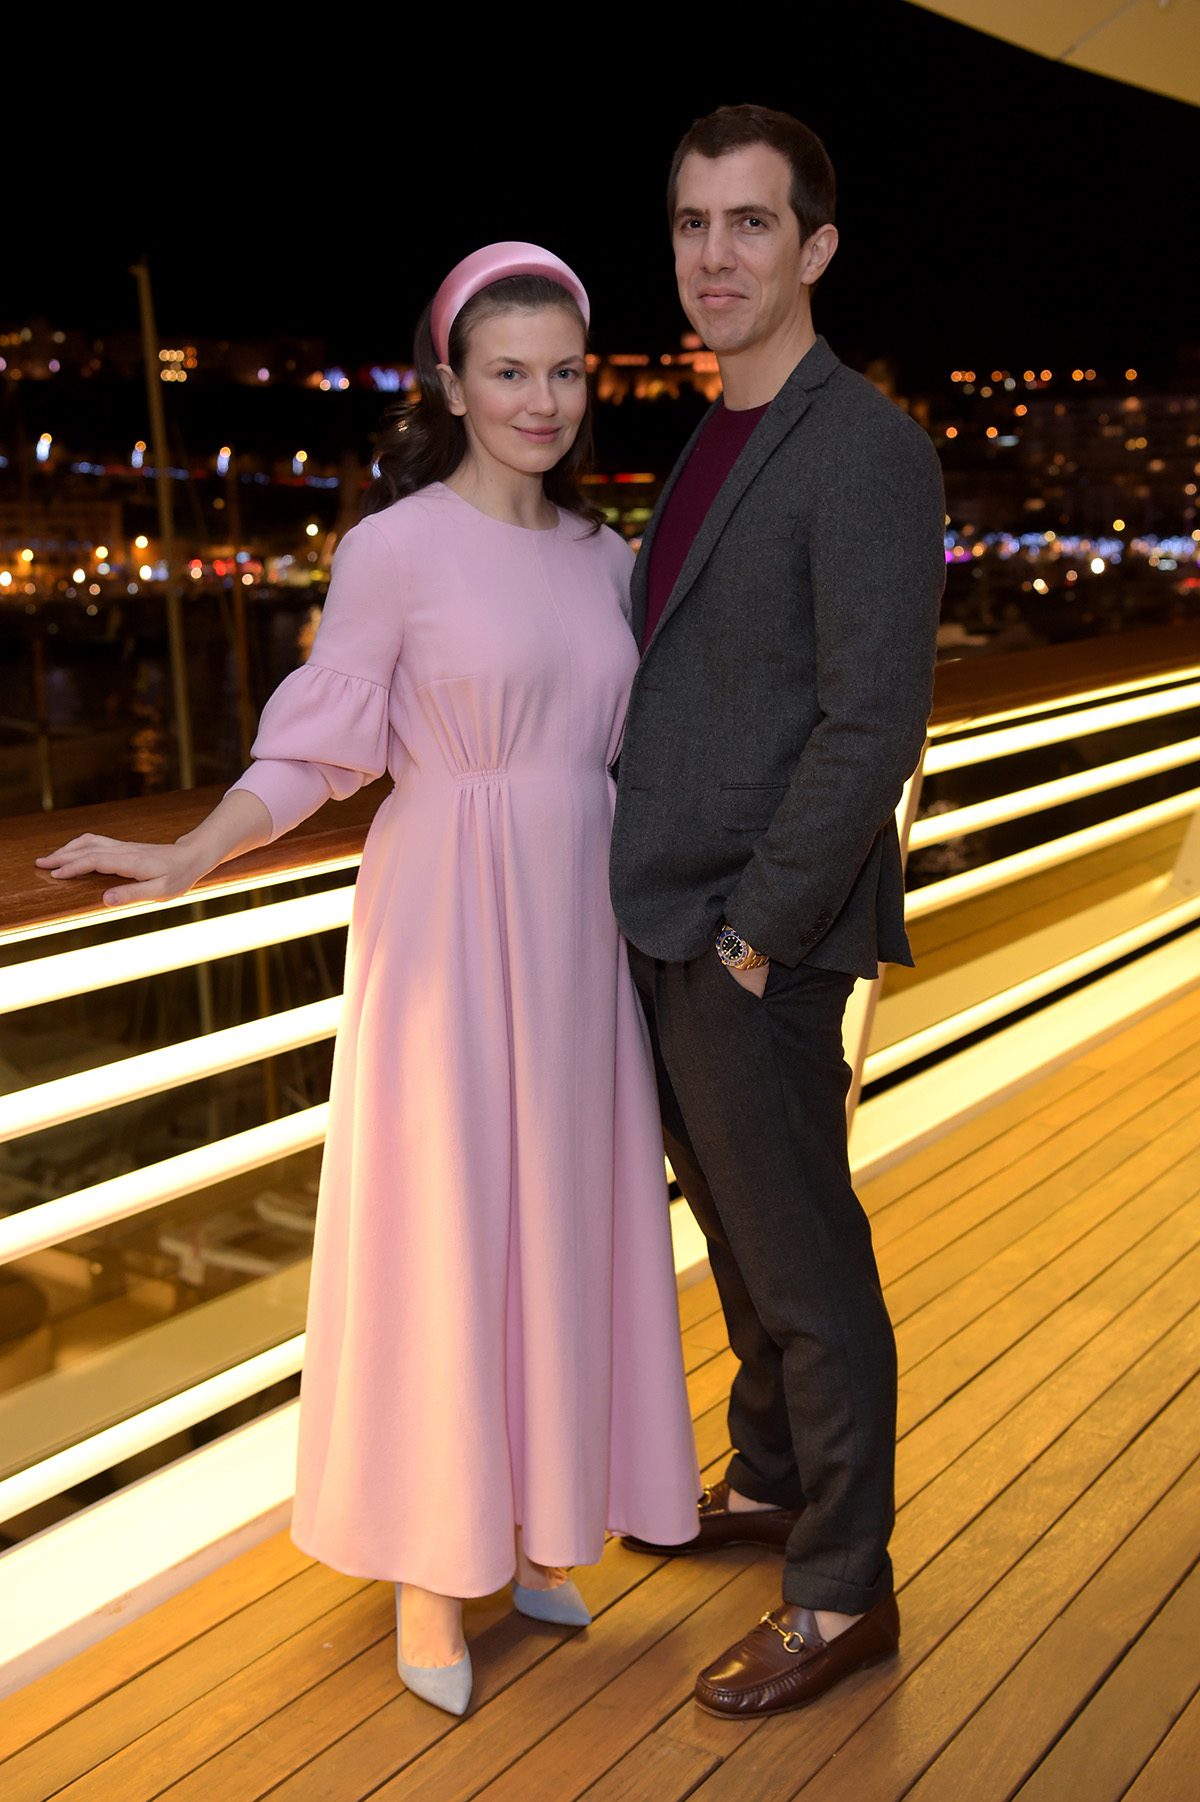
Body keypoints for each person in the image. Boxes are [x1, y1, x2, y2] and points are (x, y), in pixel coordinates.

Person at [38, 243, 701, 1719]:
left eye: (566, 371)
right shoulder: (393, 548)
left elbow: (650, 752)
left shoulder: (611, 559)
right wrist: (193, 848)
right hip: (448, 922)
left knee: (563, 1220)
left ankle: (539, 1531)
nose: (542, 400)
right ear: (453, 385)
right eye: (510, 372)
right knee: (446, 1229)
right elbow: (318, 747)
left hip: (577, 921)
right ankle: (426, 1568)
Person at [610, 106, 946, 1716]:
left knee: (808, 1268)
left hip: (759, 939)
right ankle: (765, 1476)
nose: (716, 254)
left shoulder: (864, 442)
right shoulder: (711, 430)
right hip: (669, 923)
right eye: (692, 224)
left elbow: (869, 720)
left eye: (750, 224)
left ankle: (841, 1587)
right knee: (740, 1245)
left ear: (814, 247)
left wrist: (753, 935)